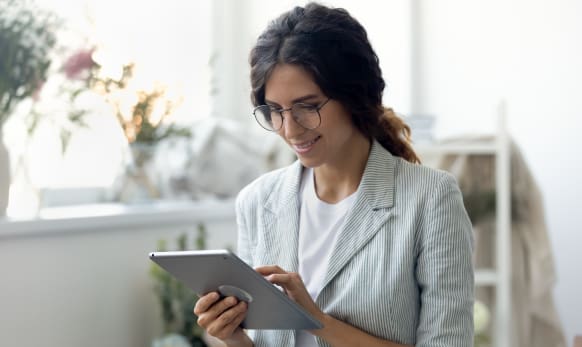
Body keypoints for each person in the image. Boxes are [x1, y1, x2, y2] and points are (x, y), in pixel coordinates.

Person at [194, 3, 474, 346]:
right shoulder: (257, 201)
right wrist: (233, 337)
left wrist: (317, 322)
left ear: (353, 94)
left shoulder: (430, 199)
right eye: (275, 111)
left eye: (307, 107)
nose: (290, 129)